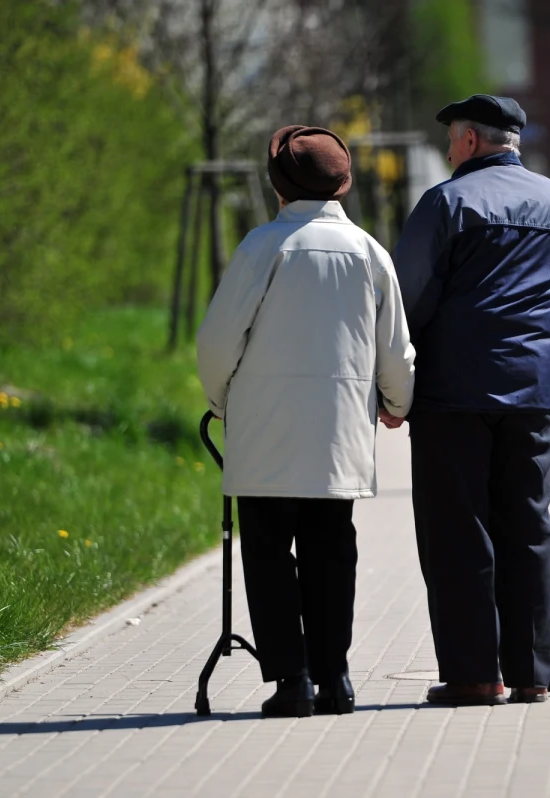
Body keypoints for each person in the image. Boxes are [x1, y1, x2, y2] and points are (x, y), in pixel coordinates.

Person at [197, 125, 415, 718]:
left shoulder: (262, 247)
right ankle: (336, 677)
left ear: (278, 188)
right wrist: (396, 403)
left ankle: (291, 681)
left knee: (266, 551)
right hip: (339, 431)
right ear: (341, 185)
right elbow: (395, 349)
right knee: (330, 549)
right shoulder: (371, 253)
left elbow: (217, 342)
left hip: (264, 428)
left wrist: (222, 403)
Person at [388, 95, 550, 706]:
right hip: (531, 390)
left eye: (450, 141)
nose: (447, 151)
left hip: (454, 394)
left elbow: (406, 299)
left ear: (468, 140)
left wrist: (389, 381)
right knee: (527, 524)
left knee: (458, 529)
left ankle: (474, 674)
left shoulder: (447, 202)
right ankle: (531, 673)